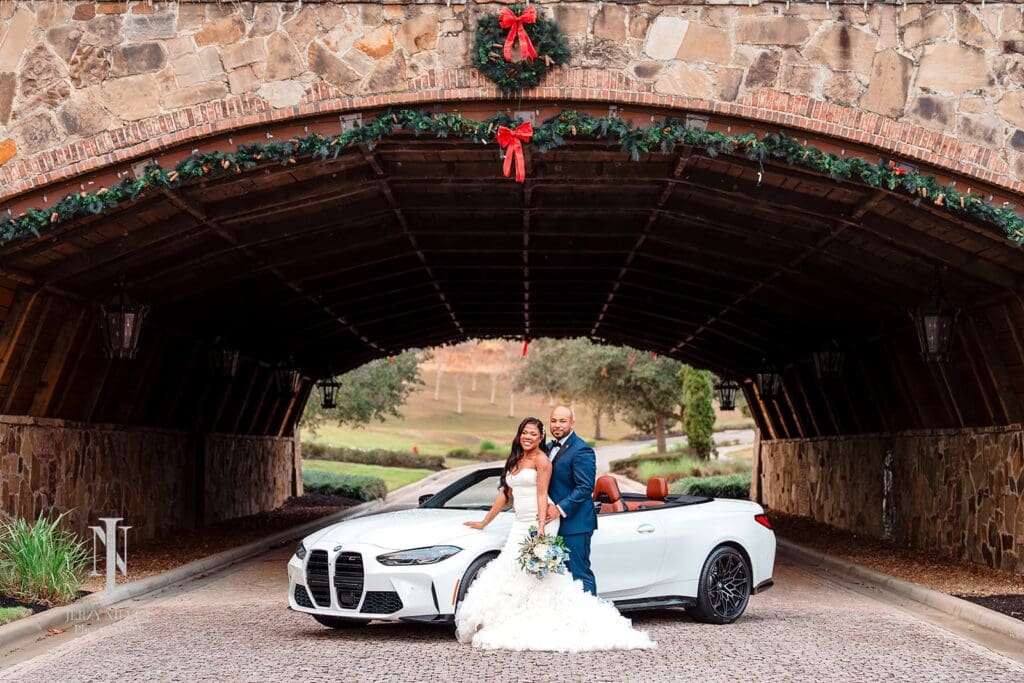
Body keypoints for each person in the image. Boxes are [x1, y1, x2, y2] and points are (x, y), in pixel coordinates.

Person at [455, 416, 656, 652]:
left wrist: (541, 526)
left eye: (534, 434)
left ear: (543, 437)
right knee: (512, 569)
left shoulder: (562, 454)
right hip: (519, 523)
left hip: (545, 520)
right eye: (525, 432)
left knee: (562, 573)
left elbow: (564, 491)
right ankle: (516, 619)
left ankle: (584, 621)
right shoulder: (523, 456)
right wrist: (484, 521)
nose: (529, 437)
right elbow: (505, 494)